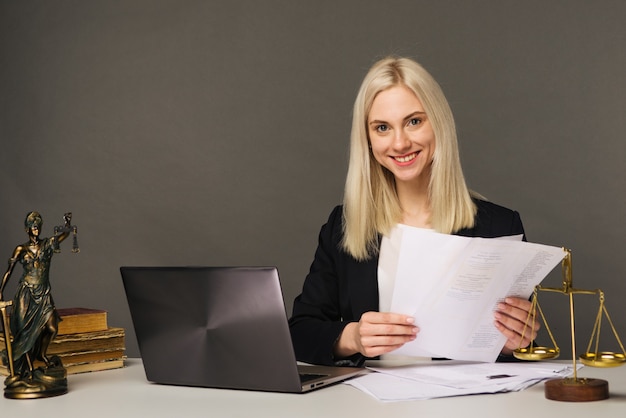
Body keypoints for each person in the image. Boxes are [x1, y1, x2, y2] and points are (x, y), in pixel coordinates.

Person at [288, 57, 539, 367]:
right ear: (367, 139)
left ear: (439, 122)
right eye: (382, 127)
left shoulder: (499, 225)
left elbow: (517, 346)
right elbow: (300, 333)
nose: (400, 142)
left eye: (414, 121)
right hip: (368, 408)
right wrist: (352, 337)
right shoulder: (344, 226)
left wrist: (515, 343)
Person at [0, 212, 72, 378]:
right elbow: (9, 271)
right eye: (33, 226)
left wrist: (67, 223)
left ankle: (41, 354)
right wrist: (0, 290)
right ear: (27, 229)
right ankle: (27, 368)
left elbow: (65, 234)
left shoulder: (47, 244)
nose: (36, 228)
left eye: (38, 225)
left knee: (52, 328)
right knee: (25, 332)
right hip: (26, 294)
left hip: (44, 292)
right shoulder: (21, 249)